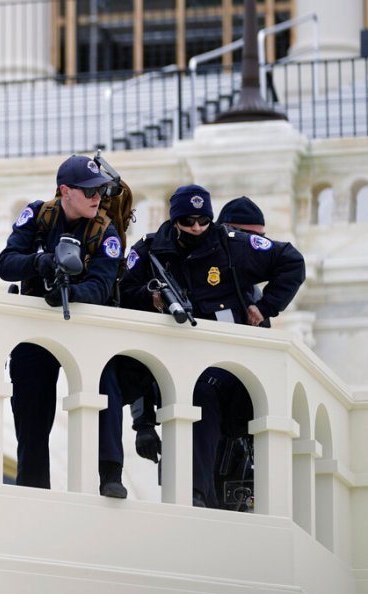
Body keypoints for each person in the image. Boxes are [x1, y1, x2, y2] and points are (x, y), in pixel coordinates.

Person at [118, 184, 305, 507]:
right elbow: (126, 312)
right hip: (182, 373)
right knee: (196, 401)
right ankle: (196, 497)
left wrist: (266, 307)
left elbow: (290, 260)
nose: (196, 229)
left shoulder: (233, 249)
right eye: (188, 222)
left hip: (234, 377)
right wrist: (144, 424)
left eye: (203, 222)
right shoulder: (151, 251)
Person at [0, 155, 122, 489]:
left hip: (83, 325)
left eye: (99, 190)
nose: (97, 197)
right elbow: (6, 264)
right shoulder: (38, 216)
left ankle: (111, 475)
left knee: (104, 388)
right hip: (36, 326)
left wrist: (71, 292)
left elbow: (102, 286)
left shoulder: (105, 230)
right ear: (65, 191)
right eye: (88, 191)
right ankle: (33, 486)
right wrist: (42, 263)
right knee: (30, 407)